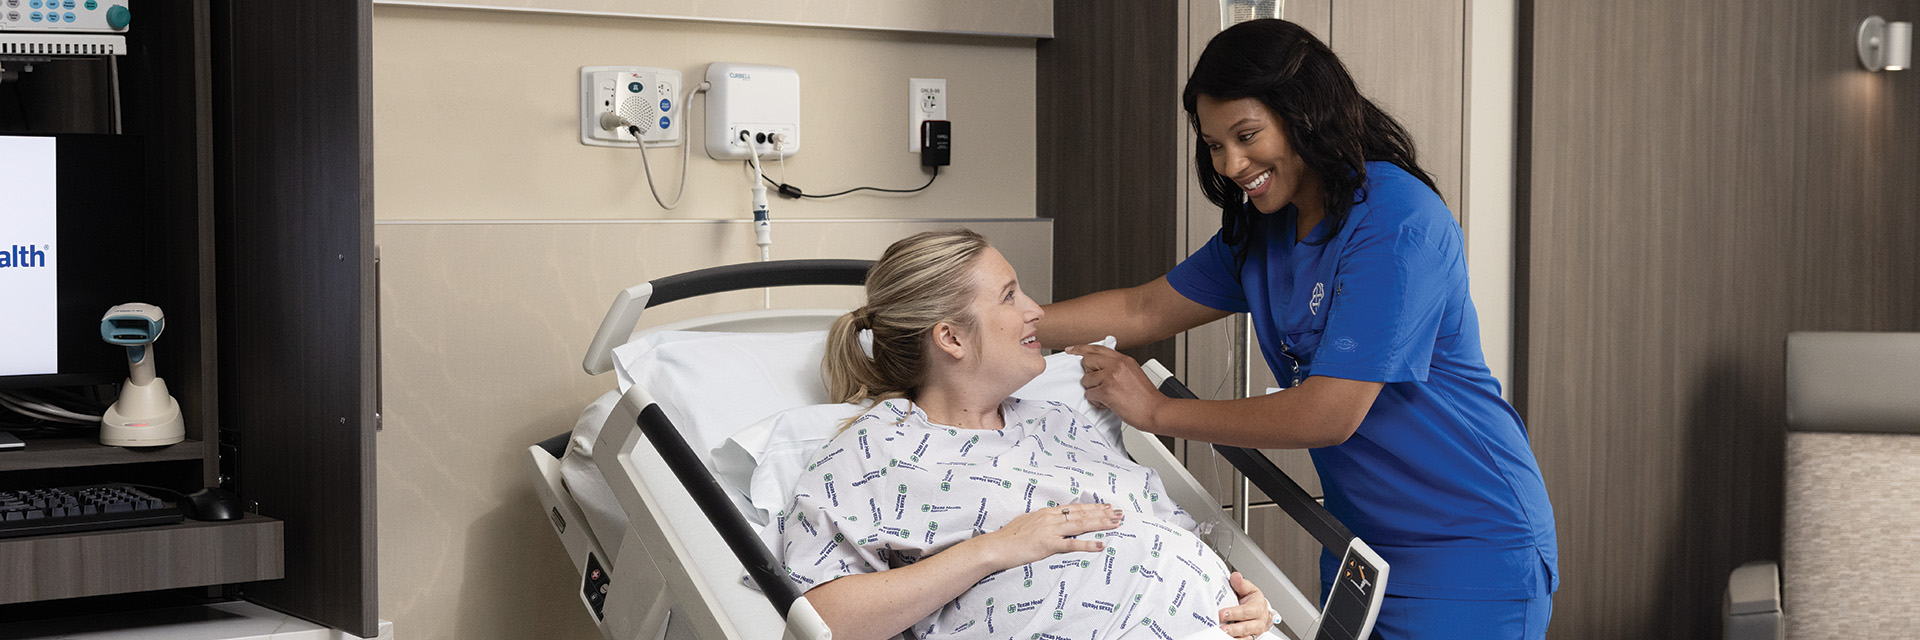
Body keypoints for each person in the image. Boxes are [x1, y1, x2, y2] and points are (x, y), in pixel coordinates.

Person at [1037, 19, 1558, 640]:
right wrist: (1009, 320)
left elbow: (1328, 414)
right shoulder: (1266, 228)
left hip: (1468, 543)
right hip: (1359, 544)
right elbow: (1144, 310)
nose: (1231, 164)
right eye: (1214, 144)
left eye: (1247, 135)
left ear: (1305, 114)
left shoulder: (1397, 221)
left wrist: (1154, 411)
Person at [772, 230, 1275, 640]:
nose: (1036, 310)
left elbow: (1169, 533)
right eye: (1010, 296)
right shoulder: (872, 450)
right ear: (951, 337)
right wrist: (995, 547)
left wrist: (1243, 596)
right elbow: (821, 619)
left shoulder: (1056, 421)